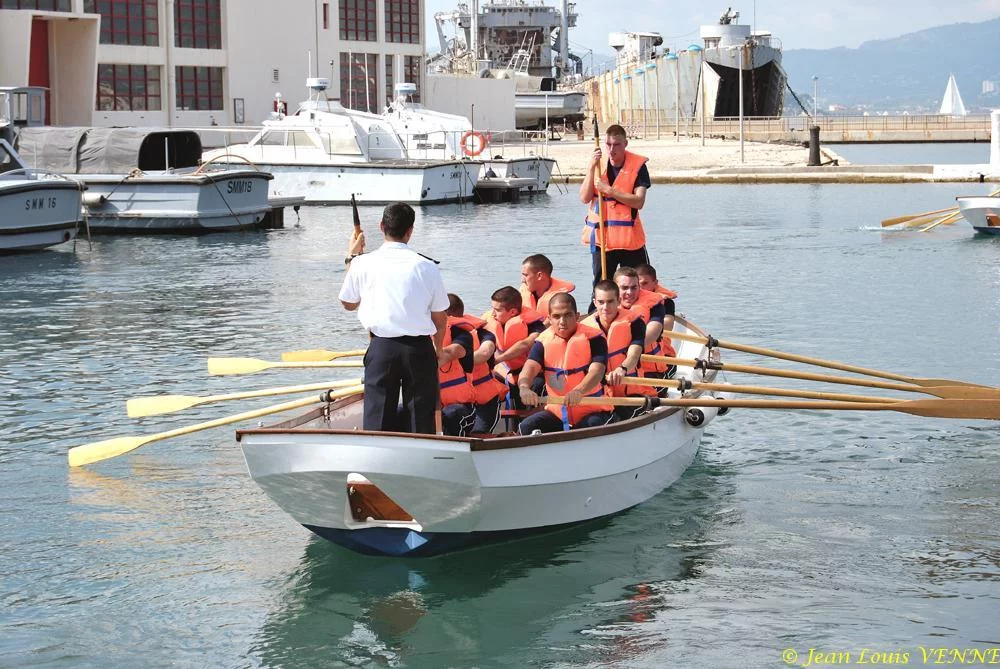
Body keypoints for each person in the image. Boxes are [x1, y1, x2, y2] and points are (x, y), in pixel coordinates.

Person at [339, 202, 449, 434]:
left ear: (381, 226)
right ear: (410, 230)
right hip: (419, 349)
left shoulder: (362, 263)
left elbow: (348, 303)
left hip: (382, 347)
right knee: (421, 417)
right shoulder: (427, 266)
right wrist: (437, 349)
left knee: (377, 416)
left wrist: (351, 257)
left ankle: (376, 460)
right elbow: (440, 317)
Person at [517, 293, 615, 434]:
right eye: (556, 316)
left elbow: (597, 372)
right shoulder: (542, 342)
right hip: (558, 412)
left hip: (592, 410)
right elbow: (529, 368)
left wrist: (579, 391)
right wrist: (524, 387)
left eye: (567, 315)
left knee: (585, 429)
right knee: (526, 427)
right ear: (549, 319)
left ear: (577, 316)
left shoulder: (595, 339)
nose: (562, 321)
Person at [579, 124, 651, 287]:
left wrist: (610, 191)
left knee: (640, 284)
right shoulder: (597, 165)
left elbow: (639, 201)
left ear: (625, 144)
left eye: (616, 145)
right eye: (608, 145)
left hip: (630, 240)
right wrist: (591, 168)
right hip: (603, 240)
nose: (612, 150)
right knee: (601, 286)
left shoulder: (638, 166)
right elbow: (584, 197)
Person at [581, 280, 655, 419]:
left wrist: (622, 369)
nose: (605, 307)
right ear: (595, 302)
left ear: (618, 301)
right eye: (601, 302)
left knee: (622, 416)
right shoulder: (584, 329)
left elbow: (635, 352)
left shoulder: (635, 322)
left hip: (631, 394)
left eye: (610, 302)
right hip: (601, 396)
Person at [480, 286, 546, 412]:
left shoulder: (535, 324)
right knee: (486, 386)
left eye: (497, 310)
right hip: (505, 373)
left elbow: (526, 344)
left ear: (513, 312)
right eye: (492, 308)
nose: (493, 313)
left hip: (531, 374)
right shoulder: (488, 321)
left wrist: (498, 359)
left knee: (537, 388)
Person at [614, 266, 675, 386]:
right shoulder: (606, 307)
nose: (629, 293)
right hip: (617, 371)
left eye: (634, 287)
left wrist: (627, 350)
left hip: (650, 372)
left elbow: (655, 331)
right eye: (624, 288)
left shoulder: (656, 304)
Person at [437, 294, 478, 436]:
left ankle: (452, 453)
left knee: (451, 414)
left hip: (463, 408)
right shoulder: (424, 335)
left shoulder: (463, 336)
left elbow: (450, 353)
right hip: (432, 403)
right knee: (400, 411)